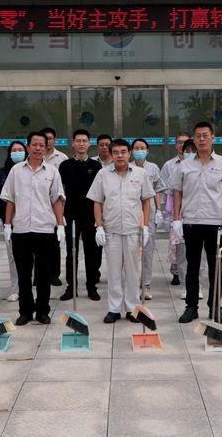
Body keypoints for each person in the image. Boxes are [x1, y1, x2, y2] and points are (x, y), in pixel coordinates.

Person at [171, 121, 222, 324]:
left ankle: (215, 307)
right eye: (198, 136)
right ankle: (191, 307)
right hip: (191, 222)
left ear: (213, 137)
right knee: (192, 265)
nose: (201, 139)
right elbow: (177, 193)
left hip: (215, 223)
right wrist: (176, 219)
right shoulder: (185, 165)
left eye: (205, 135)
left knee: (215, 267)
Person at [0, 131, 66, 326]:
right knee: (23, 273)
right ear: (28, 147)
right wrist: (7, 224)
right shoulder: (16, 171)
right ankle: (25, 311)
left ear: (46, 148)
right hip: (21, 229)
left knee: (43, 274)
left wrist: (60, 225)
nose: (38, 148)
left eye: (41, 145)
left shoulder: (52, 172)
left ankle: (43, 311)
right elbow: (10, 199)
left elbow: (57, 200)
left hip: (45, 229)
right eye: (34, 144)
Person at [87, 139, 155, 324]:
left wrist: (145, 226)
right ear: (111, 154)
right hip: (112, 230)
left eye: (123, 152)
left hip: (134, 229)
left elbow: (146, 201)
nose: (120, 156)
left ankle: (133, 309)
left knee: (133, 272)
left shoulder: (140, 174)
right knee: (114, 272)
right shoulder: (103, 174)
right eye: (115, 152)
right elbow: (97, 202)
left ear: (129, 153)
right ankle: (114, 309)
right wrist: (99, 226)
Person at [58, 129, 102, 302]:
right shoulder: (65, 166)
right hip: (71, 215)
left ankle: (92, 287)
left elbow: (100, 193)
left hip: (91, 215)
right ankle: (71, 287)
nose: (81, 144)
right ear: (73, 144)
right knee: (71, 253)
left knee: (92, 253)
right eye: (78, 141)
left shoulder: (96, 166)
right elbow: (60, 192)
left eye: (84, 141)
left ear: (89, 143)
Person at [130, 138, 166, 300]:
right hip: (131, 212)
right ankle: (132, 284)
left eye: (142, 148)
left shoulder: (153, 168)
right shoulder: (128, 167)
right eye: (136, 148)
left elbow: (157, 190)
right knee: (131, 250)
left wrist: (159, 210)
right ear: (131, 151)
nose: (139, 151)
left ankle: (146, 284)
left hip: (149, 212)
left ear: (147, 150)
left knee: (147, 250)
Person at [0, 140, 28, 302]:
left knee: (30, 257)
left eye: (20, 150)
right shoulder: (3, 173)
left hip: (29, 218)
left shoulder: (31, 170)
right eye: (14, 150)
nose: (17, 153)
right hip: (9, 220)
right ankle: (15, 288)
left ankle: (28, 287)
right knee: (13, 256)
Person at [160, 132, 191, 286]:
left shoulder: (197, 163)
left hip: (193, 208)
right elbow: (165, 189)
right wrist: (165, 212)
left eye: (186, 142)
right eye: (180, 142)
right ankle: (176, 272)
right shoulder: (169, 165)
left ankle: (191, 271)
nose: (182, 145)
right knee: (176, 242)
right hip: (174, 209)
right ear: (176, 145)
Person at [40, 127, 68, 287]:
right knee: (38, 243)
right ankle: (39, 275)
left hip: (57, 206)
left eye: (50, 138)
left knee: (54, 243)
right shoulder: (34, 157)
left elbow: (65, 184)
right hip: (39, 206)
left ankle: (54, 274)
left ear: (55, 140)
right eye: (45, 138)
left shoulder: (62, 158)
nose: (48, 141)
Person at [91, 133, 114, 281]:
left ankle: (115, 275)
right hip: (96, 209)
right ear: (97, 146)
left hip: (113, 209)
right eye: (102, 145)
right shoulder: (92, 163)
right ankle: (94, 273)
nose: (105, 147)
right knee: (95, 246)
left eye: (107, 145)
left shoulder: (118, 163)